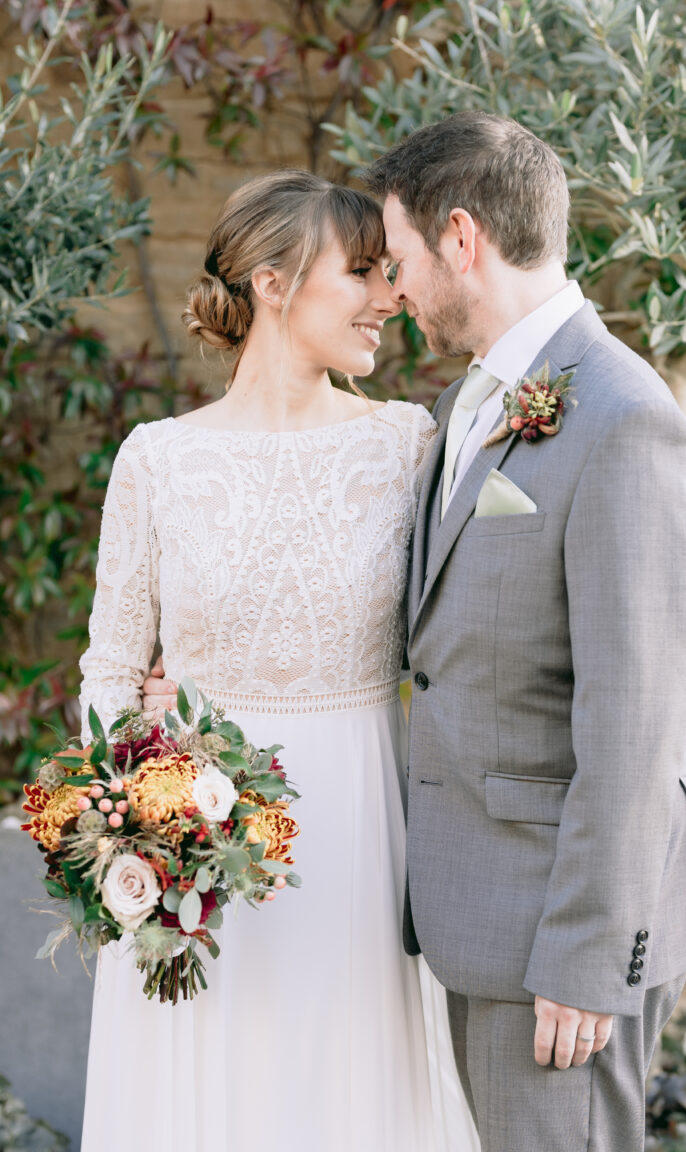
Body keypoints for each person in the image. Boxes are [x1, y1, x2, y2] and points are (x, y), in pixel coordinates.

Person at [78, 170, 479, 1152]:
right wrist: (131, 834)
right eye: (362, 273)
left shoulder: (406, 445)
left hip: (362, 834)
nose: (389, 297)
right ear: (272, 281)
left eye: (392, 275)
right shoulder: (158, 461)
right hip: (199, 857)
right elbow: (110, 676)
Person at [359, 111, 686, 1152]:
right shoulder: (464, 405)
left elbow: (637, 716)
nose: (395, 291)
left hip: (556, 929)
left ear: (461, 238)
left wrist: (585, 955)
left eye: (402, 261)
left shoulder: (623, 417)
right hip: (484, 904)